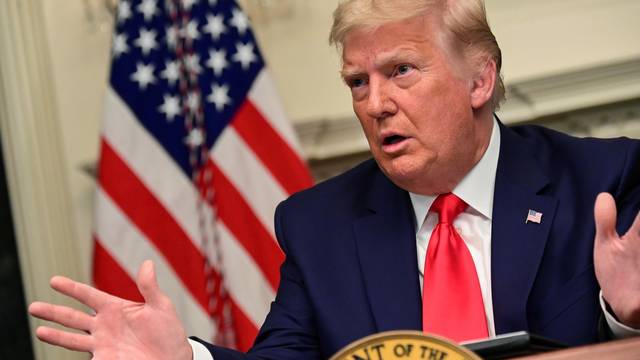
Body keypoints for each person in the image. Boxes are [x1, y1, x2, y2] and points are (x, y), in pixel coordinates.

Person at [29, 0, 640, 359]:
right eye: (357, 82)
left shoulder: (600, 181)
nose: (375, 104)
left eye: (401, 71)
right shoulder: (320, 224)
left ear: (479, 80)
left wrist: (626, 315)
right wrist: (184, 358)